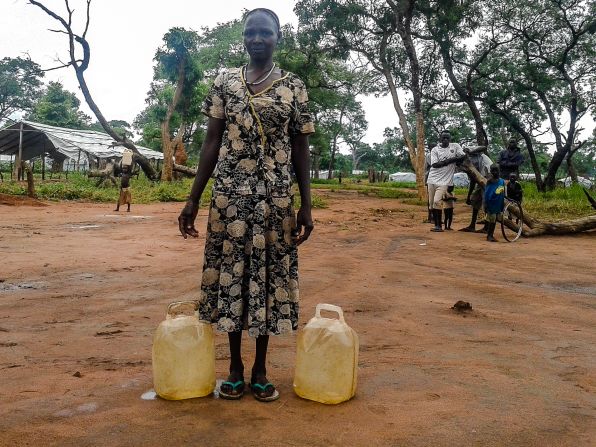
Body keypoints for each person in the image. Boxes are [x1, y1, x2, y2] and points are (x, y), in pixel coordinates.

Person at [177, 8, 314, 403]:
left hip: (274, 199)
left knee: (268, 280)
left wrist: (306, 204)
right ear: (244, 38)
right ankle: (235, 368)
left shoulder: (294, 87)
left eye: (265, 33)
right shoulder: (224, 83)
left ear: (277, 38)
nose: (257, 39)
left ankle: (261, 369)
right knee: (233, 278)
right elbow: (211, 142)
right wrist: (192, 198)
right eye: (250, 33)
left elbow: (301, 148)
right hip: (230, 199)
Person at [426, 130, 466, 232]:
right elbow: (435, 164)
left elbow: (462, 156)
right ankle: (437, 225)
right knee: (431, 204)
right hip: (432, 179)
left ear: (450, 139)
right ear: (440, 138)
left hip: (444, 181)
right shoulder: (435, 150)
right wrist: (452, 160)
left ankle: (439, 226)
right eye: (443, 138)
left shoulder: (455, 146)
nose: (445, 140)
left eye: (447, 138)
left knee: (437, 201)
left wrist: (446, 161)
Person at [460, 146, 493, 233]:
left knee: (486, 203)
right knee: (475, 201)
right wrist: (468, 196)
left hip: (488, 178)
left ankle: (487, 227)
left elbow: (483, 147)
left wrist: (470, 151)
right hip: (480, 180)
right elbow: (473, 180)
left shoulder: (472, 153)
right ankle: (472, 225)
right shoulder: (467, 164)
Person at [484, 164, 506, 242]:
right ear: (491, 171)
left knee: (494, 220)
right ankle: (489, 236)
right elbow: (486, 194)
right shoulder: (490, 181)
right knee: (492, 220)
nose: (495, 172)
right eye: (493, 170)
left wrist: (504, 202)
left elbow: (503, 193)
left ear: (499, 170)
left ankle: (490, 235)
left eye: (496, 170)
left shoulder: (502, 181)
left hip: (498, 204)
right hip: (491, 204)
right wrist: (485, 205)